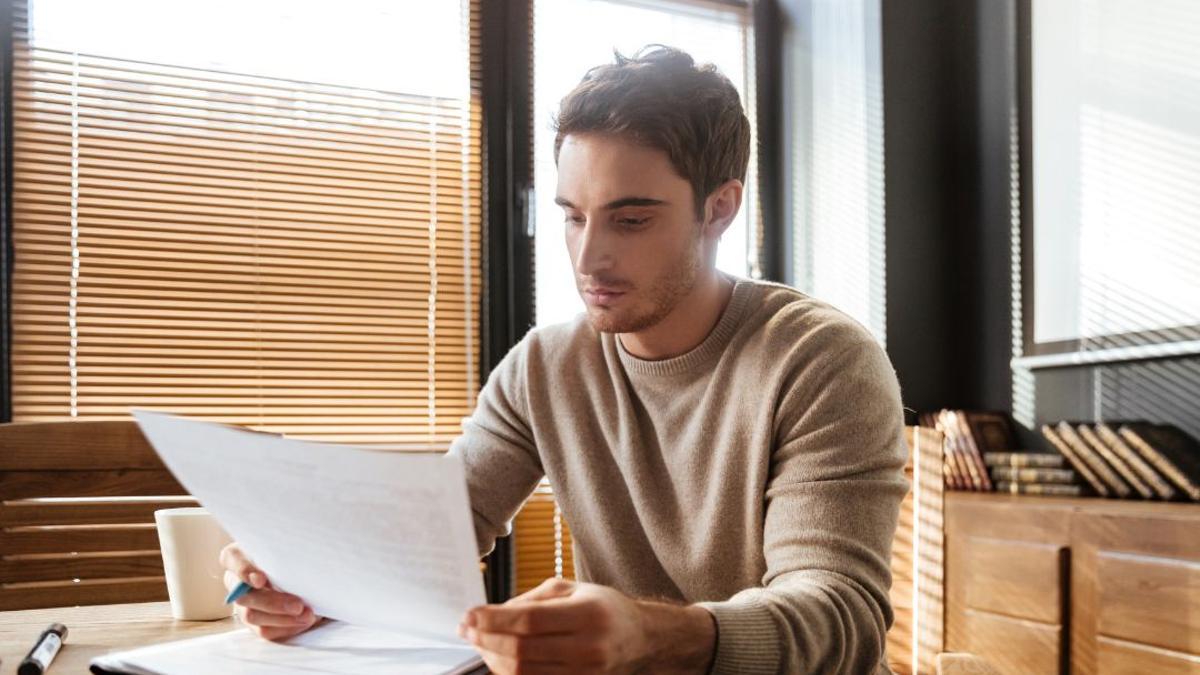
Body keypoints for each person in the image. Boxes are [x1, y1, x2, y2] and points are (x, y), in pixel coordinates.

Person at [219, 45, 908, 674]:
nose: (587, 257)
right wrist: (299, 575)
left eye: (630, 219)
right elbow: (431, 535)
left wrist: (655, 632)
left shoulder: (823, 361)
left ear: (719, 209)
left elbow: (841, 615)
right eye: (573, 215)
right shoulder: (544, 366)